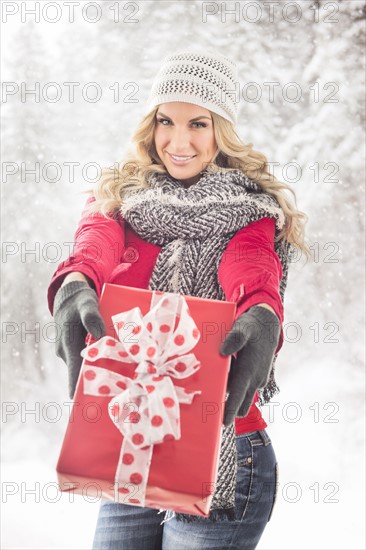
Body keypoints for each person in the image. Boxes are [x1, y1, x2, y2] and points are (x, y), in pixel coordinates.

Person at [48, 50, 309, 550]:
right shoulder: (117, 199)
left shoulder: (250, 212)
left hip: (223, 453)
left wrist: (262, 313)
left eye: (199, 123)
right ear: (150, 125)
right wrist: (75, 283)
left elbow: (253, 269)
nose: (179, 141)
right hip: (131, 441)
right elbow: (93, 247)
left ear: (222, 131)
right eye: (166, 121)